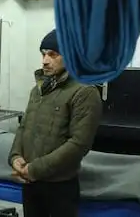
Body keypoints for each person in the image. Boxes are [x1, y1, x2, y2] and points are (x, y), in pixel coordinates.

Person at [8, 29, 103, 217]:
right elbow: (24, 127)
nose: (44, 60)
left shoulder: (84, 92)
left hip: (59, 187)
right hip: (30, 183)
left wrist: (33, 169)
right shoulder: (38, 91)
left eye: (53, 54)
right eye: (43, 54)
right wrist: (16, 157)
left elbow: (78, 144)